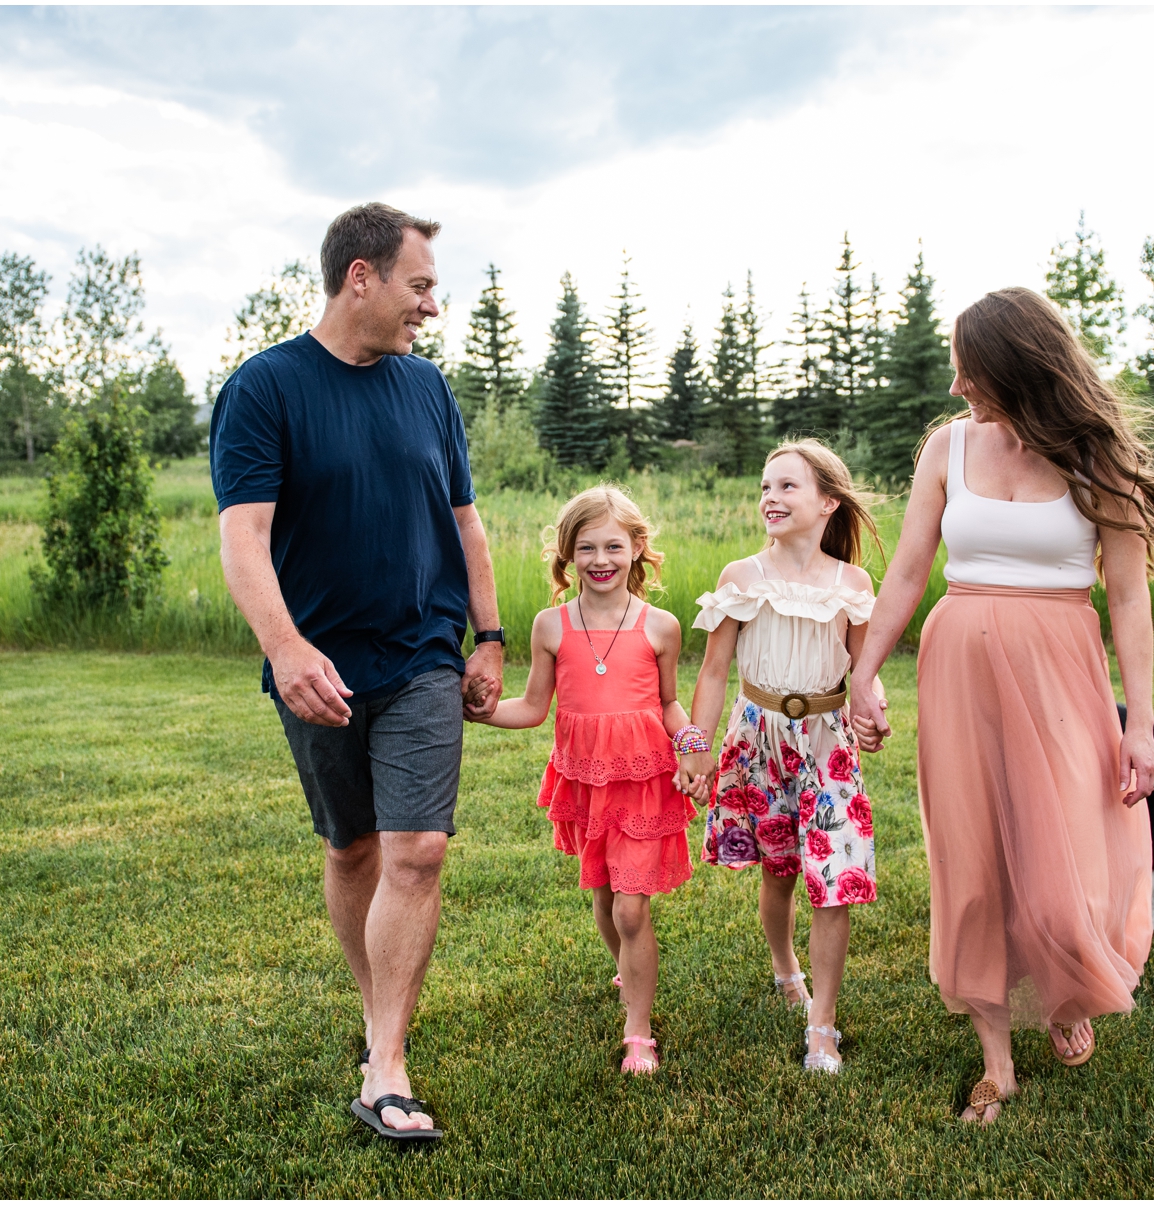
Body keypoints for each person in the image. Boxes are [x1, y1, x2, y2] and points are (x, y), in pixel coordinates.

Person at [848, 287, 1154, 1123]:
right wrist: (865, 671)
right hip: (958, 667)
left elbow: (1127, 599)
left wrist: (1140, 723)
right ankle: (996, 1063)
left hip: (1059, 669)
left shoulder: (1097, 459)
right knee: (972, 862)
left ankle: (1070, 989)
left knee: (1062, 865)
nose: (954, 387)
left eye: (968, 370)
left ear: (1013, 368)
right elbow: (907, 571)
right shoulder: (948, 448)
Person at [210, 202, 504, 1142]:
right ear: (362, 277)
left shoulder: (428, 390)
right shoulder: (266, 388)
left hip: (423, 650)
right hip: (321, 667)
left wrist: (488, 635)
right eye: (419, 286)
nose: (430, 307)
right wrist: (286, 647)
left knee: (418, 848)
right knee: (352, 849)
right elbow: (243, 538)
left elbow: (465, 521)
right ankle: (378, 1016)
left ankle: (387, 1061)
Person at [679, 441, 883, 1074]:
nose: (771, 497)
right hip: (757, 741)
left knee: (834, 880)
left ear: (827, 502)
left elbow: (863, 668)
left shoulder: (852, 584)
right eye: (766, 487)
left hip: (826, 745)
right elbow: (714, 673)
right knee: (780, 871)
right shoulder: (741, 577)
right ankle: (783, 965)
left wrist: (871, 708)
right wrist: (698, 745)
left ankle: (822, 1024)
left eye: (788, 487)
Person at [480, 487, 698, 1075]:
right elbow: (531, 707)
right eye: (587, 548)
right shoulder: (551, 626)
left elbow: (672, 705)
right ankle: (627, 968)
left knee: (631, 910)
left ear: (636, 551)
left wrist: (696, 744)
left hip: (643, 780)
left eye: (613, 547)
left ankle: (638, 1029)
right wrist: (469, 710)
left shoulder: (662, 627)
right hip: (588, 782)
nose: (601, 559)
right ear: (568, 557)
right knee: (604, 900)